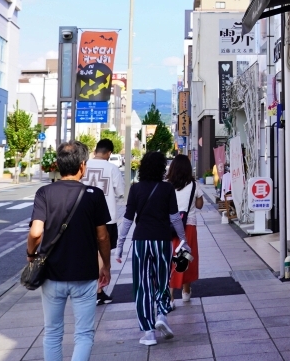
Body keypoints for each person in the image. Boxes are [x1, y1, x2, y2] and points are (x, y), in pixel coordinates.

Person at [27, 141, 112, 361]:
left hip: (52, 274)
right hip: (84, 274)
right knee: (84, 333)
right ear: (82, 166)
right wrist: (105, 265)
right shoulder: (93, 195)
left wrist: (31, 255)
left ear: (58, 164)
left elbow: (35, 233)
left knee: (53, 332)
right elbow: (103, 236)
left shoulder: (44, 193)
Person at [116, 151, 187, 345]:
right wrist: (183, 239)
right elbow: (175, 218)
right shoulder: (167, 189)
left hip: (140, 242)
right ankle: (162, 316)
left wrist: (120, 245)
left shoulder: (136, 188)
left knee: (142, 286)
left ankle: (148, 334)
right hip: (162, 241)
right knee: (163, 281)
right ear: (162, 167)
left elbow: (128, 219)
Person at [83, 138, 126, 305]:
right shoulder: (112, 168)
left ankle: (89, 289)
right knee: (103, 251)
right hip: (106, 217)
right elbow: (121, 192)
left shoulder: (84, 165)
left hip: (85, 215)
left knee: (89, 251)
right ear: (109, 153)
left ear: (95, 151)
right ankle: (98, 290)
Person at [166, 154, 203, 305]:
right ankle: (186, 291)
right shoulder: (194, 185)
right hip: (188, 226)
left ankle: (171, 296)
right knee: (185, 257)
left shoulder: (167, 185)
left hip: (170, 227)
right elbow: (199, 205)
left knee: (171, 259)